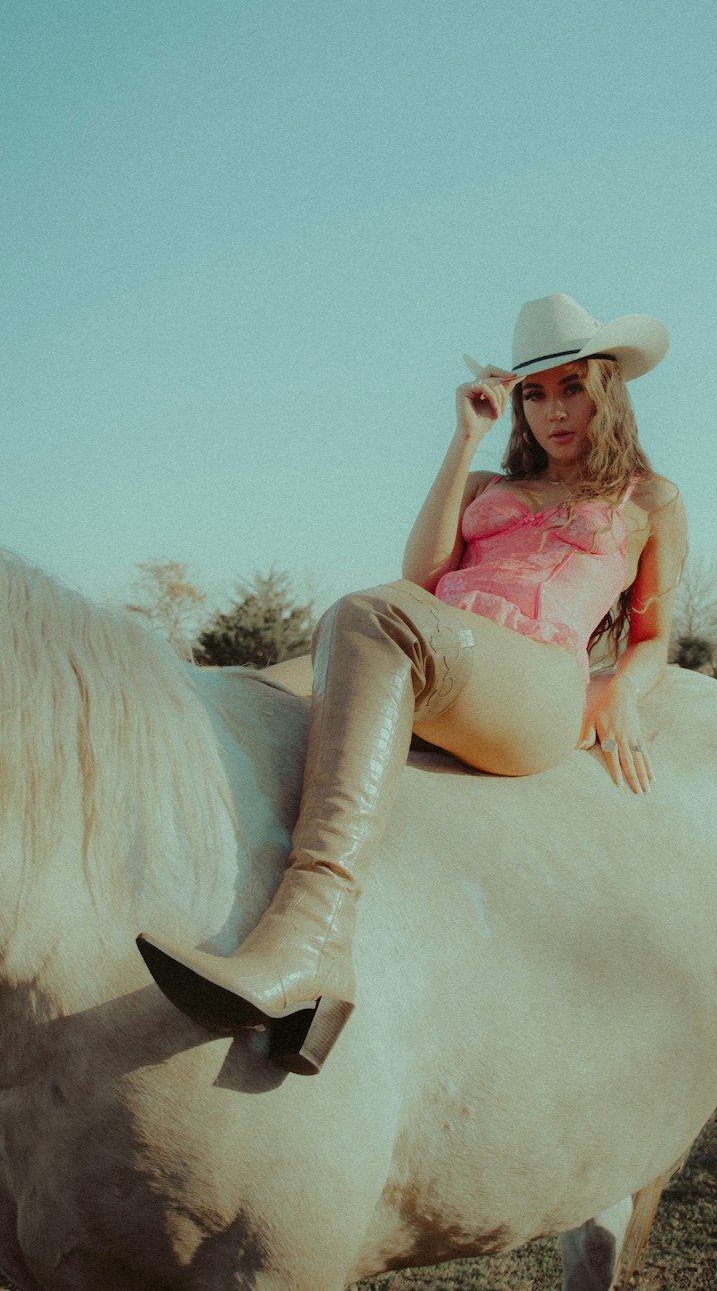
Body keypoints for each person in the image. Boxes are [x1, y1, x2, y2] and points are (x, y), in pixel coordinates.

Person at [137, 293, 687, 1075]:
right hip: (432, 649)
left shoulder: (650, 501)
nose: (552, 411)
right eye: (534, 393)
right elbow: (423, 578)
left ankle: (313, 942)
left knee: (366, 616)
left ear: (608, 393)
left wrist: (624, 691)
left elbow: (655, 634)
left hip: (531, 683)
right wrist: (465, 441)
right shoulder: (487, 483)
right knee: (234, 693)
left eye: (573, 389)